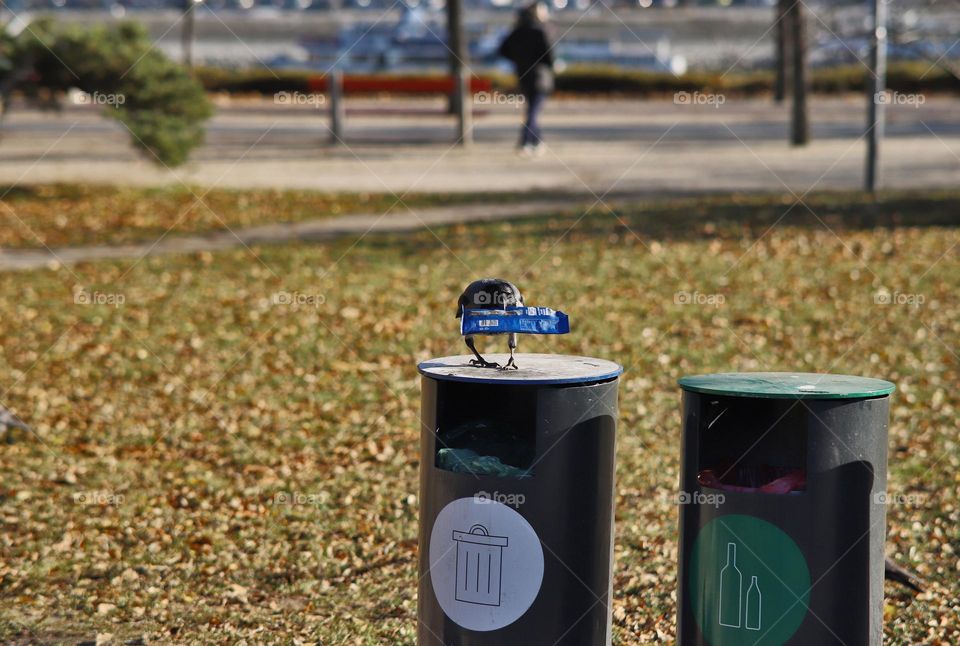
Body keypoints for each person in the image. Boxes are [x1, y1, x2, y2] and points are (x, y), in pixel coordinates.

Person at [497, 2, 555, 156]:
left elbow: (502, 50)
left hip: (523, 75)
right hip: (540, 76)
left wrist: (518, 59)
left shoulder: (516, 32)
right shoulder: (540, 31)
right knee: (533, 111)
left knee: (532, 109)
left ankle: (536, 141)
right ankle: (525, 142)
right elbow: (549, 57)